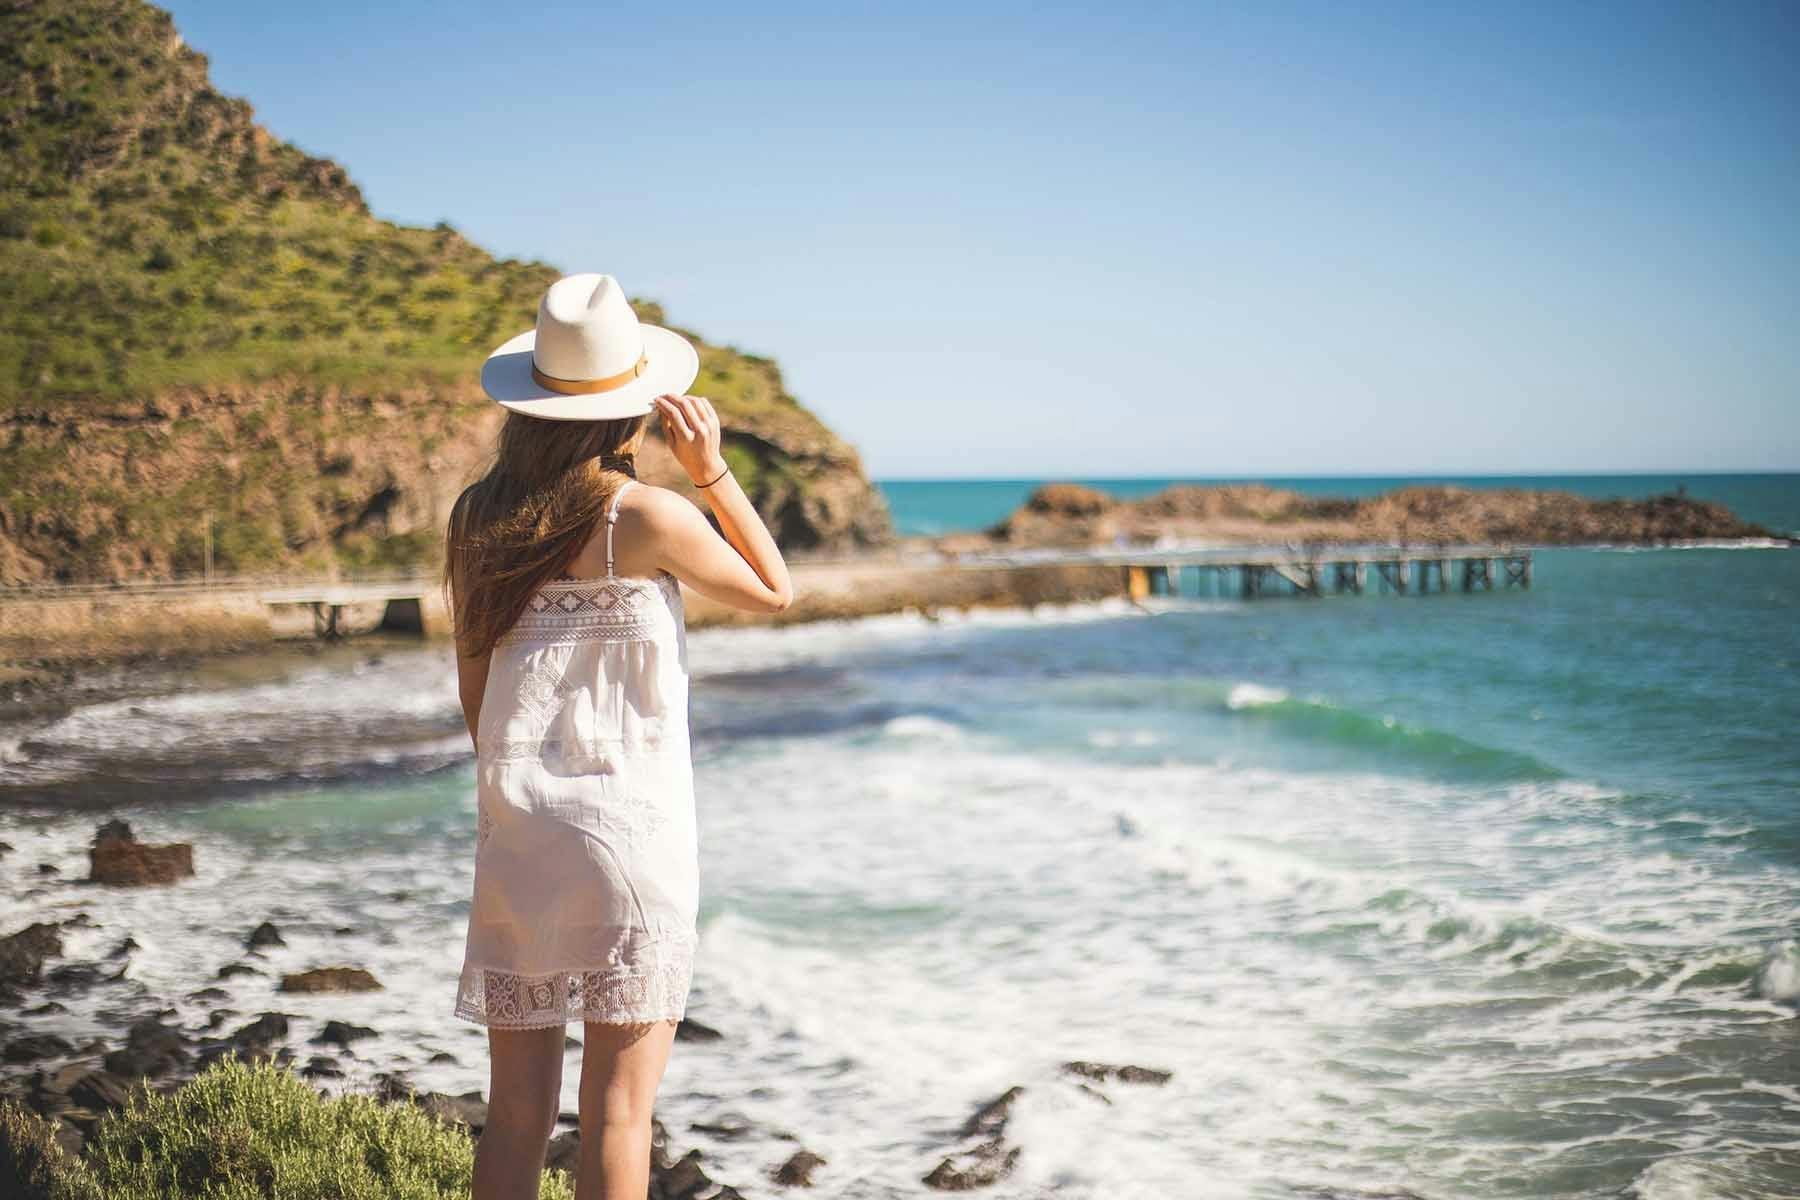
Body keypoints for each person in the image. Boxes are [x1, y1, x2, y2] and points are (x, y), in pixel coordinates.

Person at [443, 273, 792, 1199]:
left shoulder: (476, 516)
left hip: (519, 834)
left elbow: (474, 686)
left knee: (514, 1117)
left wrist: (519, 797)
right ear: (630, 411)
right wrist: (711, 468)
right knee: (618, 1115)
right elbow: (774, 588)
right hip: (630, 838)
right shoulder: (643, 516)